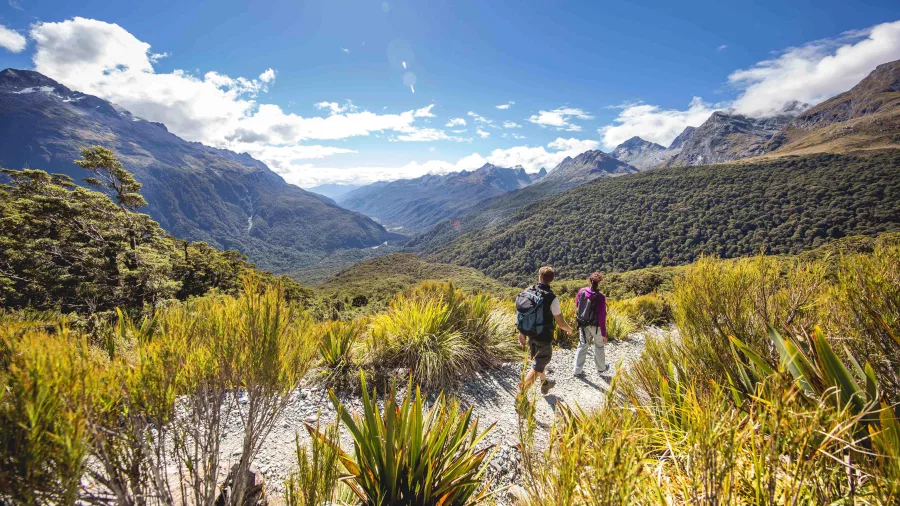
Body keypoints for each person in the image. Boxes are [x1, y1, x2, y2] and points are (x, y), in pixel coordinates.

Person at [518, 266, 573, 394]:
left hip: (530, 333)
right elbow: (561, 323)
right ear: (552, 280)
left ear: (540, 277)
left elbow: (523, 314)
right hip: (543, 336)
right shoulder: (552, 298)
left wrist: (522, 333)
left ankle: (545, 384)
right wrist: (569, 329)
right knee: (539, 365)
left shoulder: (528, 291)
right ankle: (521, 393)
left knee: (539, 361)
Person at [572, 272, 610, 378]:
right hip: (596, 326)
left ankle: (577, 370)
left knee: (582, 345)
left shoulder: (581, 292)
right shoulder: (601, 297)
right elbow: (602, 316)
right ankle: (601, 368)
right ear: (600, 282)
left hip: (583, 323)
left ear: (589, 280)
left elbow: (577, 305)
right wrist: (604, 334)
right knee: (599, 346)